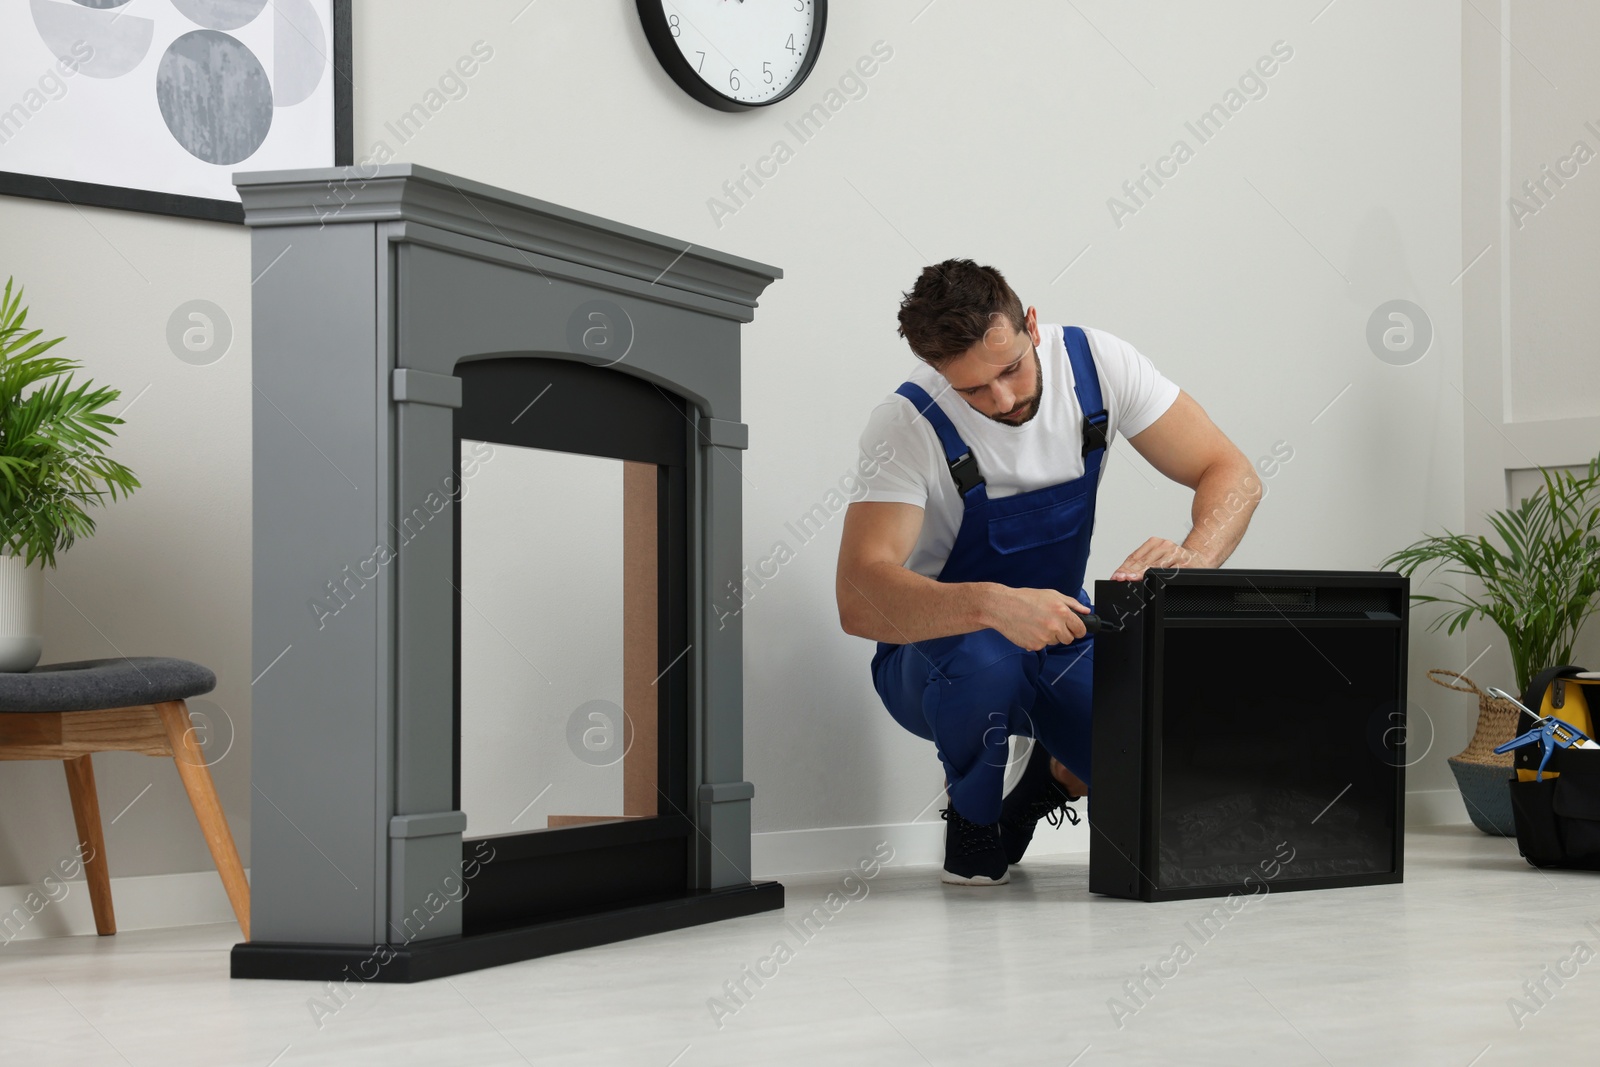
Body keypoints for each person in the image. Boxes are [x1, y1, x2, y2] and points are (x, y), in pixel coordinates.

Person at [835, 259, 1260, 885]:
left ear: (1029, 323)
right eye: (974, 390)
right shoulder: (907, 425)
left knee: (1159, 761)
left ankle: (1045, 782)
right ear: (937, 371)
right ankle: (974, 821)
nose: (1003, 400)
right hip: (936, 660)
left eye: (1011, 369)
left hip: (1060, 628)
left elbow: (1232, 474)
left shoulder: (1099, 366)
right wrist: (990, 606)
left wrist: (1194, 559)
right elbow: (858, 596)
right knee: (986, 658)